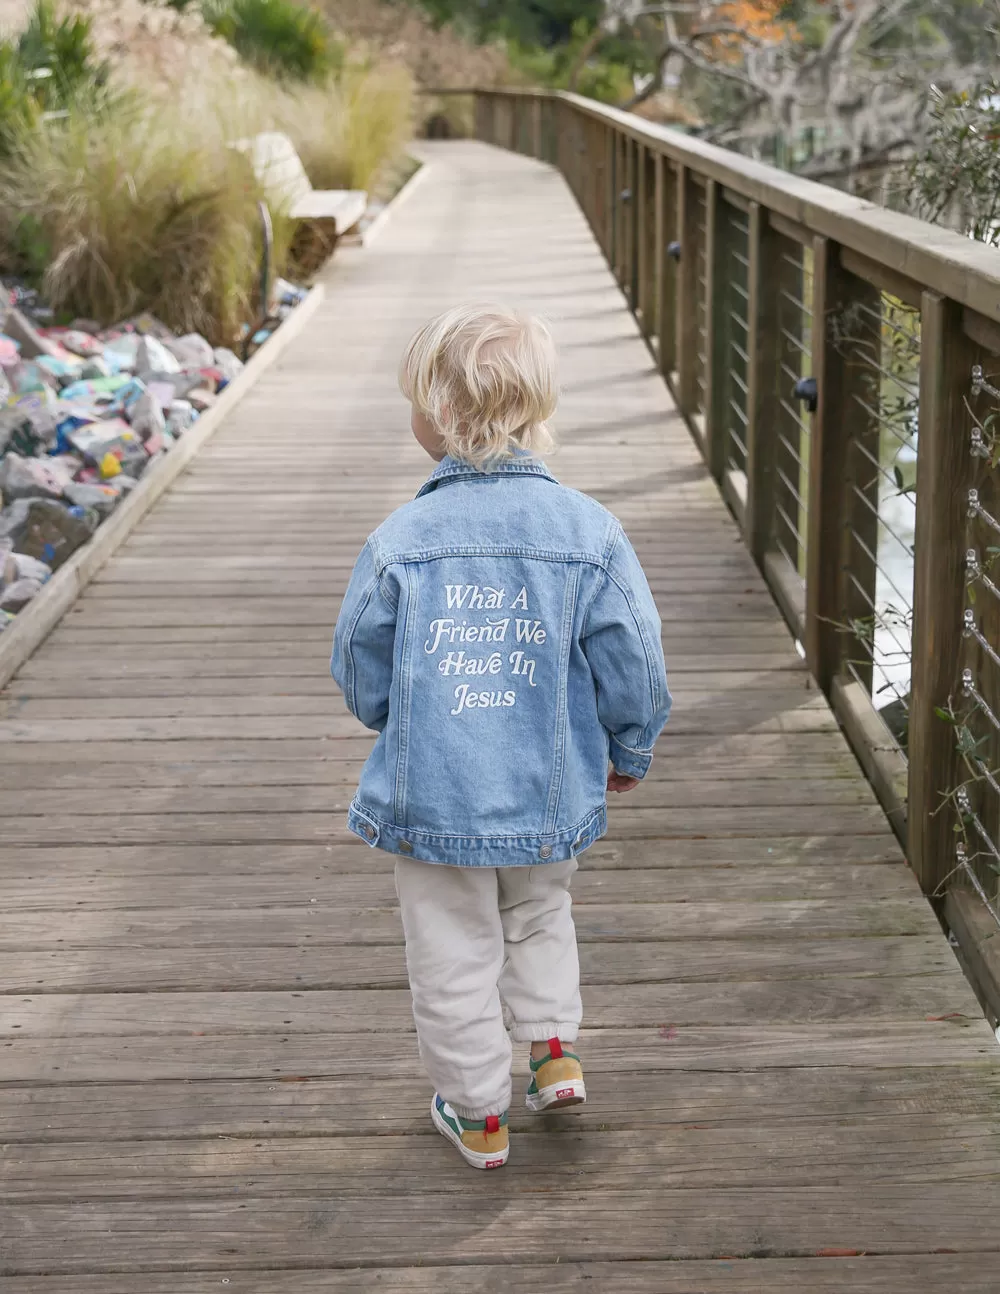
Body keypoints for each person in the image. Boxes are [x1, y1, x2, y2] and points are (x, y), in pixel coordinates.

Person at [331, 304, 671, 1170]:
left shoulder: (400, 541)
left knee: (451, 949)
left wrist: (393, 716)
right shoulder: (589, 532)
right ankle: (552, 1049)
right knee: (538, 907)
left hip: (435, 795)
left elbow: (360, 665)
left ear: (439, 418)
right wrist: (628, 748)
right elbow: (634, 655)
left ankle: (479, 1112)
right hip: (548, 786)